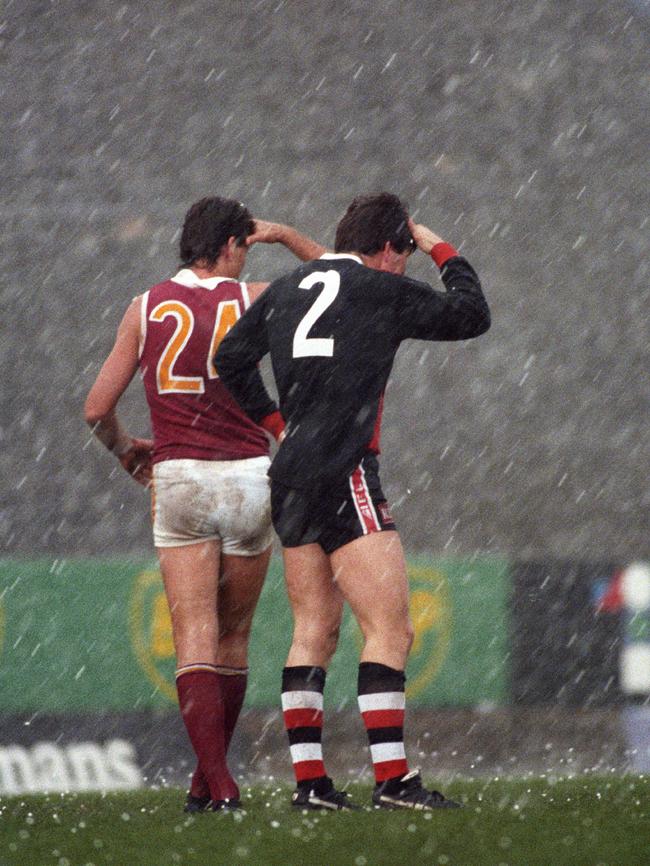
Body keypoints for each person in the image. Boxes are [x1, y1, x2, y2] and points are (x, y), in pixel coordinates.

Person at [215, 192, 490, 811]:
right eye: (405, 252)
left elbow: (229, 358)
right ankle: (393, 780)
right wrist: (439, 245)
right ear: (391, 248)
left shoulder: (289, 288)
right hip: (346, 470)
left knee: (313, 629)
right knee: (391, 629)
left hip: (290, 474)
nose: (406, 263)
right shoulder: (382, 289)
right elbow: (472, 314)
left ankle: (310, 785)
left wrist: (276, 420)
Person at [84, 196, 324, 811]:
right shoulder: (253, 299)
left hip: (181, 476)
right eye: (243, 246)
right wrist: (287, 235)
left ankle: (214, 781)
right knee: (234, 637)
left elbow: (95, 409)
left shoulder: (145, 306)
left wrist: (125, 452)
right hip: (248, 477)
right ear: (231, 246)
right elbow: (339, 276)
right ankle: (212, 777)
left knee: (192, 630)